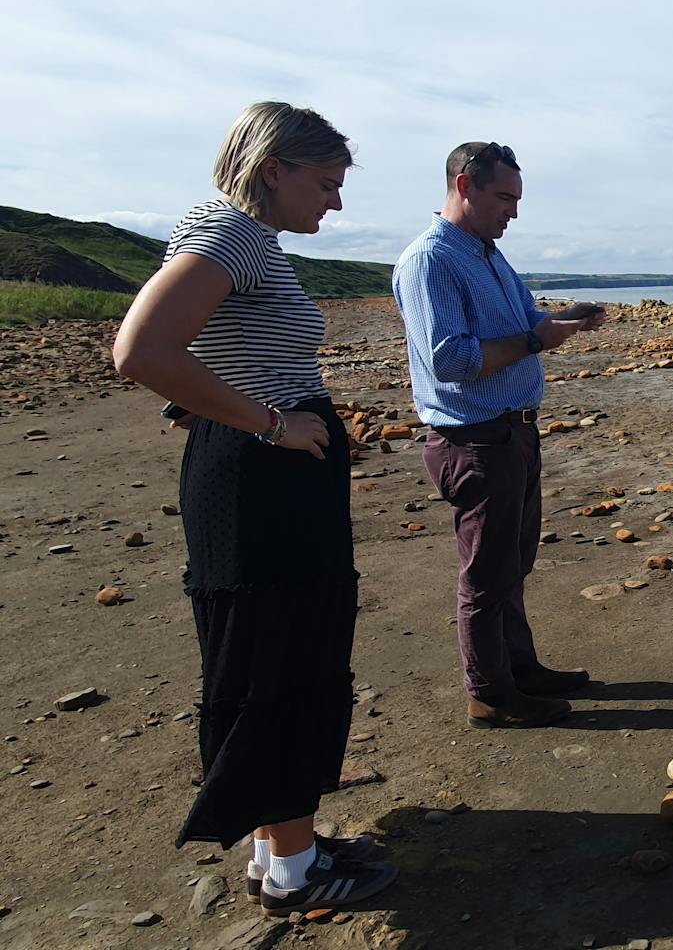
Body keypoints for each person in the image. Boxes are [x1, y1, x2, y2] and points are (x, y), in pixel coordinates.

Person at [112, 101, 397, 915]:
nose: (334, 203)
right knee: (285, 658)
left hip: (257, 474)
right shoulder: (232, 233)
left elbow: (195, 349)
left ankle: (284, 851)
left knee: (275, 654)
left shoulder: (231, 233)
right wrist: (267, 421)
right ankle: (298, 871)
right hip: (261, 482)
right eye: (326, 183)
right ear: (274, 169)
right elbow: (139, 351)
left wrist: (222, 410)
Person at [392, 141, 603, 729]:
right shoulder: (432, 258)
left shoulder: (488, 254)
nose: (514, 211)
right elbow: (451, 361)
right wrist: (538, 342)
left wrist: (555, 324)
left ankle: (519, 669)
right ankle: (489, 693)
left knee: (512, 562)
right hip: (475, 439)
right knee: (485, 575)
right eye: (504, 197)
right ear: (464, 185)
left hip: (511, 434)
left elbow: (518, 326)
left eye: (517, 198)